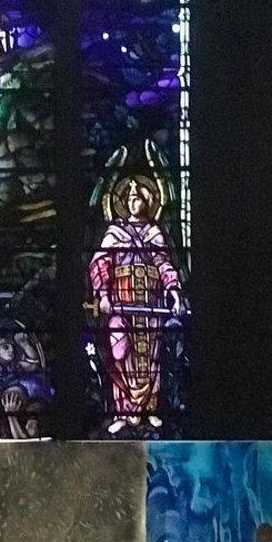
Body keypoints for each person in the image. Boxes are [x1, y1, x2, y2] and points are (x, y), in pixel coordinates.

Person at [88, 174, 186, 431]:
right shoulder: (114, 233)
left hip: (150, 304)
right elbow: (100, 264)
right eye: (130, 198)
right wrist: (104, 296)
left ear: (148, 202)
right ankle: (123, 413)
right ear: (123, 202)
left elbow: (165, 265)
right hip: (123, 303)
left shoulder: (154, 232)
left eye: (139, 198)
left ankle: (149, 409)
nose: (135, 203)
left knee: (150, 356)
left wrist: (174, 292)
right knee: (122, 354)